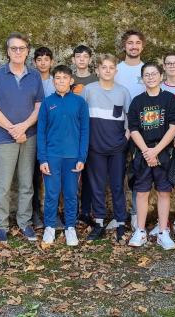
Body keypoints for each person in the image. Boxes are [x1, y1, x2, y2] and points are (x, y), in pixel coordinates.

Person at [0, 32, 44, 242]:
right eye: (14, 48)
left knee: (27, 183)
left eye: (22, 48)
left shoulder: (35, 76)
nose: (18, 52)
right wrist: (14, 130)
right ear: (8, 51)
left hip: (30, 137)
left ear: (27, 51)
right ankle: (1, 225)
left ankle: (25, 223)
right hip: (5, 137)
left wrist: (25, 127)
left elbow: (39, 107)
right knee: (3, 184)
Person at [128, 62, 175, 250]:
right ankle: (140, 231)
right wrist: (146, 152)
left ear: (161, 76)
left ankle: (162, 232)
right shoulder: (137, 101)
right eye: (146, 75)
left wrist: (156, 151)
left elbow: (174, 127)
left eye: (154, 74)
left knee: (164, 192)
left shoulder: (169, 99)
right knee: (141, 192)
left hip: (163, 152)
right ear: (142, 79)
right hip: (143, 153)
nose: (150, 77)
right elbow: (133, 128)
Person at [37, 65, 89, 246]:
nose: (61, 81)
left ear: (71, 81)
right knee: (51, 194)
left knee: (70, 193)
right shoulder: (46, 102)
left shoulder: (80, 102)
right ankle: (50, 226)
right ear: (53, 81)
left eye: (64, 78)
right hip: (52, 156)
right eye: (57, 78)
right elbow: (41, 132)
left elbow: (85, 131)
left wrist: (82, 157)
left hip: (73, 157)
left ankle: (70, 227)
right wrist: (42, 158)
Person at [81, 54, 131, 241]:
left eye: (111, 67)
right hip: (95, 147)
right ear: (97, 70)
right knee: (97, 186)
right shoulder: (88, 90)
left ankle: (120, 223)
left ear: (116, 71)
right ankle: (99, 222)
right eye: (104, 67)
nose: (107, 70)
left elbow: (130, 119)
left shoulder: (123, 92)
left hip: (117, 148)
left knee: (118, 185)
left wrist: (125, 139)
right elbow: (81, 117)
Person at [108, 29, 146, 231]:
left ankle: (135, 214)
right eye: (130, 42)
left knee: (139, 173)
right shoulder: (117, 69)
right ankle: (119, 215)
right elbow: (113, 99)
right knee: (118, 174)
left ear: (142, 46)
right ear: (124, 45)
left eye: (137, 42)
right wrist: (125, 127)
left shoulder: (147, 69)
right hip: (119, 130)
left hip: (143, 131)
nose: (133, 46)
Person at [149, 51, 175, 250]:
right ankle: (161, 222)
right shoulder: (159, 87)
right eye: (168, 63)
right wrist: (164, 143)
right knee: (161, 180)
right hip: (161, 143)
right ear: (164, 66)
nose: (172, 66)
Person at [32, 46, 64, 230]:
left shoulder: (57, 81)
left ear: (51, 61)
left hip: (54, 136)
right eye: (39, 59)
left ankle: (55, 213)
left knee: (54, 176)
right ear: (35, 62)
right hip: (34, 132)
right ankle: (35, 213)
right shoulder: (31, 80)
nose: (43, 63)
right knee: (34, 176)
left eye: (46, 59)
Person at [72, 45, 98, 226]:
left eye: (85, 56)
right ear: (73, 59)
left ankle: (86, 211)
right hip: (72, 130)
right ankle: (71, 211)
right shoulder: (68, 78)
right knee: (72, 172)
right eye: (78, 56)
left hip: (93, 130)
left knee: (90, 173)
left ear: (90, 59)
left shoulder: (96, 79)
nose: (81, 59)